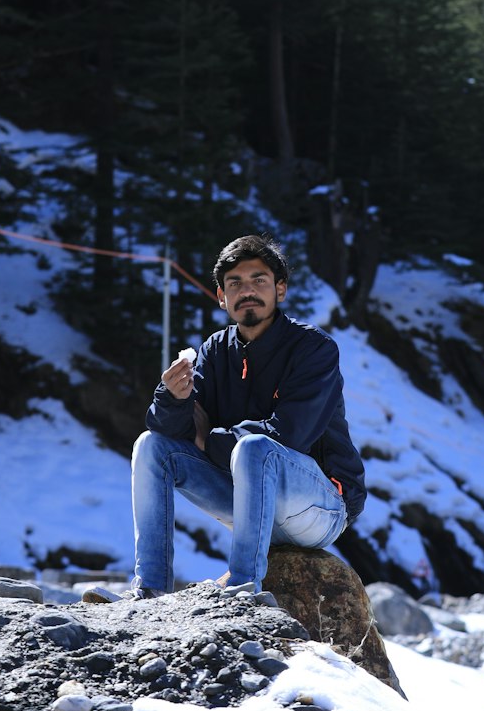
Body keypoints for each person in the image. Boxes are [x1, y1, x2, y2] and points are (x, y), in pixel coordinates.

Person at [125, 234, 366, 601]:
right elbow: (175, 430)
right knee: (151, 446)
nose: (246, 290)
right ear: (221, 296)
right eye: (234, 283)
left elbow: (289, 435)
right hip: (248, 501)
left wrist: (209, 438)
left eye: (259, 280)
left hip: (320, 507)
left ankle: (242, 589)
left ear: (280, 290)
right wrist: (172, 398)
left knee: (257, 447)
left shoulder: (314, 349)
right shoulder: (215, 351)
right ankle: (150, 587)